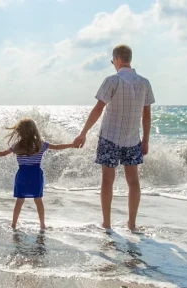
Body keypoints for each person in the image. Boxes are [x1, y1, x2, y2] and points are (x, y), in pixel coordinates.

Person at [73, 44, 155, 232]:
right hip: (133, 139)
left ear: (116, 59)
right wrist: (146, 140)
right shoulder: (144, 82)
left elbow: (98, 109)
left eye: (112, 61)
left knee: (107, 180)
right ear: (130, 59)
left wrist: (83, 132)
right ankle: (132, 224)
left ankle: (107, 224)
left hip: (110, 136)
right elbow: (147, 115)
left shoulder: (112, 81)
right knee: (133, 181)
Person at [0, 118, 78, 230]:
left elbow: (4, 153)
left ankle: (14, 224)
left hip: (22, 175)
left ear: (19, 131)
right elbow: (57, 147)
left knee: (19, 201)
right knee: (38, 200)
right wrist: (72, 145)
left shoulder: (17, 145)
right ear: (34, 130)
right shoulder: (40, 144)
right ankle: (42, 225)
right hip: (35, 175)